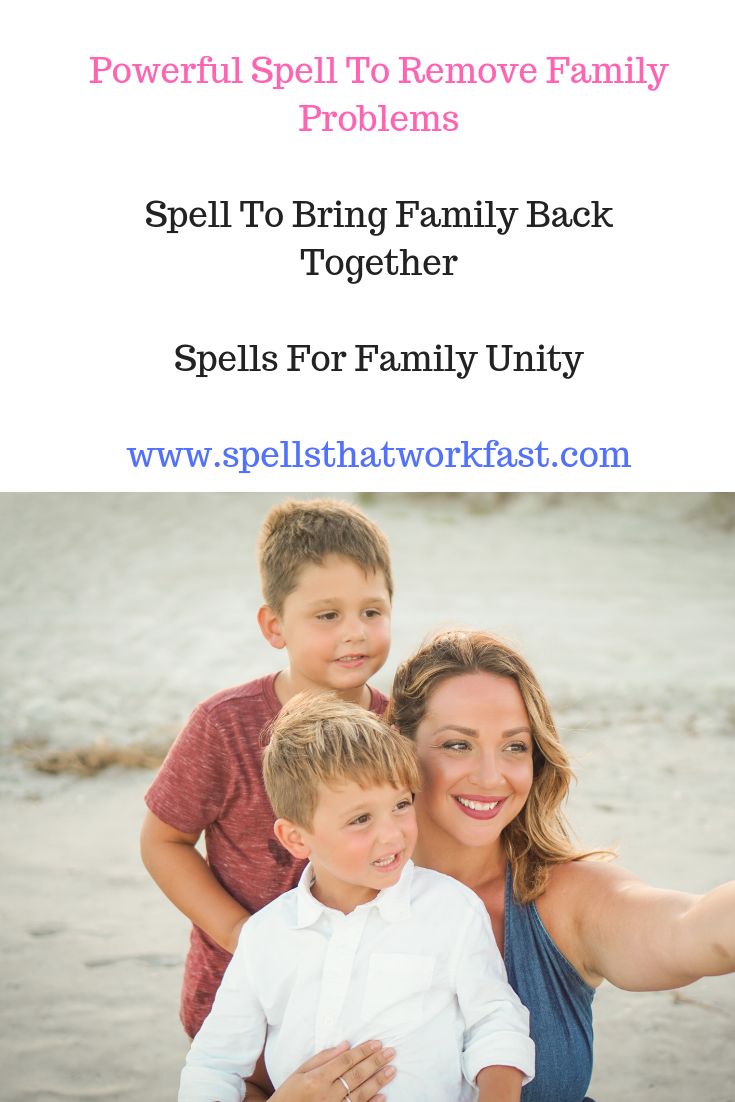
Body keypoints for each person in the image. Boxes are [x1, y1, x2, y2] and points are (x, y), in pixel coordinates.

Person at [251, 629, 735, 1102]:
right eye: (457, 744)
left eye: (514, 746)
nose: (490, 776)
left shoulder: (567, 899)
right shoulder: (316, 903)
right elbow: (237, 1077)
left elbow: (690, 928)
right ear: (401, 747)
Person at [179, 694, 535, 1102]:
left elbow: (496, 1022)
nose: (393, 833)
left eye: (401, 804)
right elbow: (214, 1065)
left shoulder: (451, 911)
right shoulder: (265, 936)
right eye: (361, 819)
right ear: (296, 838)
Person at [140, 498, 396, 1056]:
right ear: (274, 625)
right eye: (327, 615)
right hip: (240, 997)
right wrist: (240, 935)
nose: (355, 632)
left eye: (372, 612)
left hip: (360, 999)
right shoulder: (224, 726)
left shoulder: (398, 726)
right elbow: (163, 841)